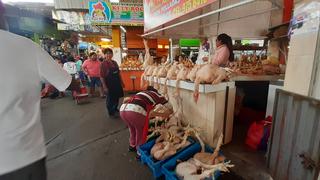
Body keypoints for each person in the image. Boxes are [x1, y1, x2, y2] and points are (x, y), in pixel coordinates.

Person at [0, 2, 72, 179]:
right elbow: (66, 81)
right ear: (3, 17)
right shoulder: (25, 46)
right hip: (23, 157)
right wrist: (76, 84)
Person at [120, 86, 173, 153]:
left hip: (123, 110)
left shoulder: (141, 93)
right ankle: (139, 151)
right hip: (135, 112)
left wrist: (155, 114)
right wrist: (165, 114)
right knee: (140, 132)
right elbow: (169, 109)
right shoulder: (158, 96)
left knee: (132, 128)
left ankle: (132, 145)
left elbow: (125, 99)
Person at [100, 48, 124, 117]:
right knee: (110, 98)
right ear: (104, 55)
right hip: (109, 83)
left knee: (116, 97)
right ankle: (111, 111)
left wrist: (122, 82)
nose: (108, 55)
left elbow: (118, 73)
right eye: (107, 53)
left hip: (116, 82)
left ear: (112, 54)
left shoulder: (114, 62)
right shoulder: (103, 64)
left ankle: (115, 108)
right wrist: (104, 86)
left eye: (110, 53)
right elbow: (102, 76)